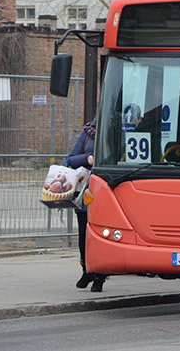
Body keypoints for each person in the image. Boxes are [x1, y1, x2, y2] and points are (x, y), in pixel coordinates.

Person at [64, 118, 106, 292]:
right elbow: (70, 160)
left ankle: (100, 276)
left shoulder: (123, 132)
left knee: (103, 236)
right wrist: (87, 158)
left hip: (107, 193)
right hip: (86, 193)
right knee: (84, 235)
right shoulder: (89, 132)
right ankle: (86, 269)